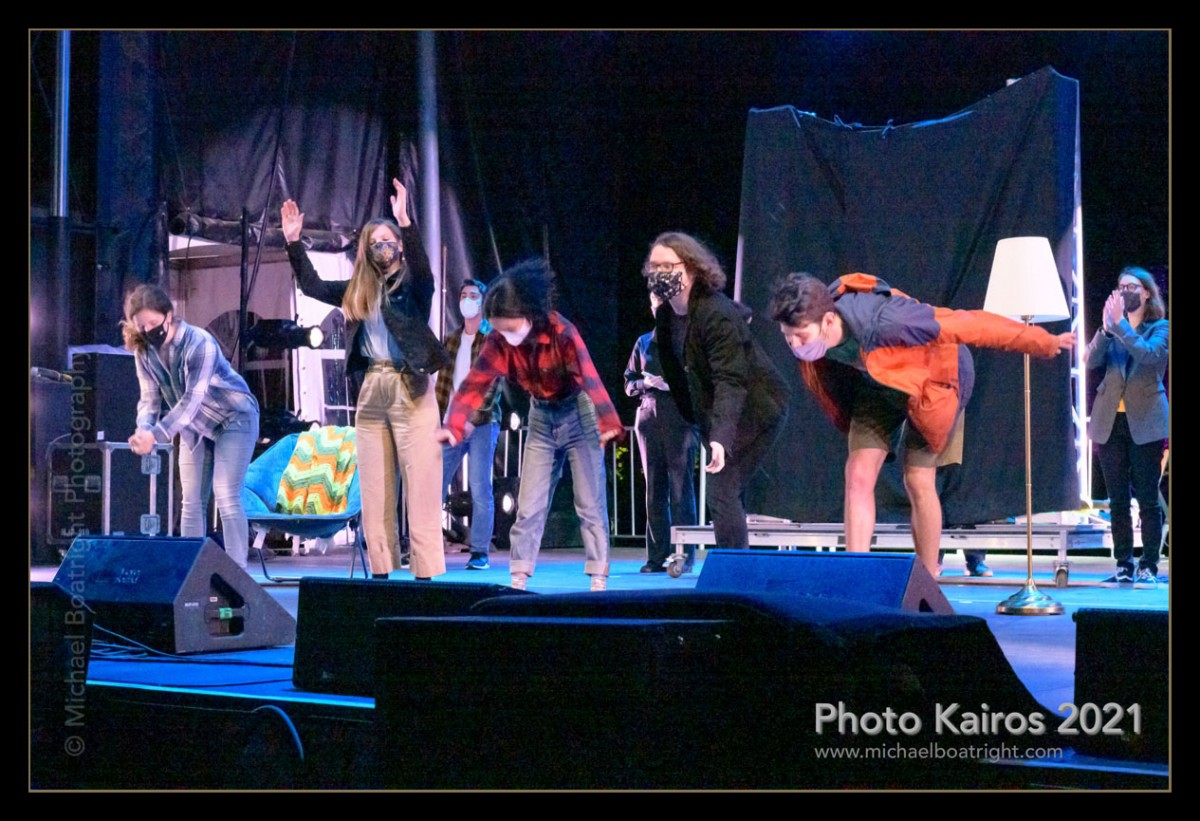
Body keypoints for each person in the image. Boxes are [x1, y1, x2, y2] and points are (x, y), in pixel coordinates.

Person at [769, 272, 1075, 576]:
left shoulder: (890, 320)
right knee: (858, 474)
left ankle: (927, 577)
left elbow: (970, 324)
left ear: (828, 321)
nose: (794, 345)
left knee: (917, 479)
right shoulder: (818, 313)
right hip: (877, 385)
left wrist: (1043, 341)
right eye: (787, 336)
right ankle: (856, 574)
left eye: (801, 336)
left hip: (934, 380)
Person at [280, 179, 451, 580]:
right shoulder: (359, 289)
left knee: (422, 481)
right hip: (373, 386)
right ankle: (381, 571)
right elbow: (312, 285)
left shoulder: (413, 286)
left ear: (399, 246)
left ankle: (425, 573)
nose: (382, 247)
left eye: (388, 241)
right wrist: (293, 242)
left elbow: (423, 271)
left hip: (411, 386)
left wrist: (405, 221)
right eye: (375, 243)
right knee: (375, 487)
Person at [438, 258, 623, 591]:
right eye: (500, 329)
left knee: (589, 501)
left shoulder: (561, 332)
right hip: (541, 417)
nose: (506, 336)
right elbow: (475, 383)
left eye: (510, 328)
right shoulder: (497, 342)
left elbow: (588, 376)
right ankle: (519, 576)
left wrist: (607, 419)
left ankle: (598, 575)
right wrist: (453, 424)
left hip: (577, 412)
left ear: (527, 314)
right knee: (530, 503)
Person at [645, 232, 790, 550]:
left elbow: (730, 380)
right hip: (718, 412)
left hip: (757, 407)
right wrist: (697, 421)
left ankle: (735, 570)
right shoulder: (667, 315)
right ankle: (739, 565)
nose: (659, 273)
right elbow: (677, 372)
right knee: (726, 491)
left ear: (691, 268)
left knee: (722, 489)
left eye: (667, 265)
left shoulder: (715, 312)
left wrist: (720, 439)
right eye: (654, 266)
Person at [123, 284, 261, 568]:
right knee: (191, 499)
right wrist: (143, 429)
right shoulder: (144, 353)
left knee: (225, 493)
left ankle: (238, 572)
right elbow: (149, 400)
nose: (148, 331)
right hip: (194, 428)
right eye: (142, 326)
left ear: (168, 315)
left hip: (234, 418)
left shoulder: (199, 343)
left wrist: (156, 435)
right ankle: (191, 573)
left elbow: (191, 402)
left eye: (153, 323)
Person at [1085, 266, 1168, 586]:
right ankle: (1123, 564)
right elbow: (1091, 361)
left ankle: (1149, 565)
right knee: (1117, 499)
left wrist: (1120, 326)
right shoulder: (1112, 328)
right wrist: (1106, 331)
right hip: (1110, 421)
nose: (1125, 292)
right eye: (1121, 286)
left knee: (1147, 498)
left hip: (1146, 422)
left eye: (1132, 287)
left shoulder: (1160, 328)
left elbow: (1150, 356)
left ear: (1146, 293)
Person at [624, 291, 701, 573]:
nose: (659, 310)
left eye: (664, 305)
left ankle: (684, 556)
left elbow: (702, 381)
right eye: (655, 305)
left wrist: (673, 385)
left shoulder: (688, 340)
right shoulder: (644, 342)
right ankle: (656, 556)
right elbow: (628, 382)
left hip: (679, 415)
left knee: (681, 488)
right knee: (654, 488)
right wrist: (645, 384)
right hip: (648, 416)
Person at [435, 279, 501, 571]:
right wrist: (437, 420)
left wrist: (473, 418)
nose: (467, 300)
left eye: (473, 295)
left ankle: (479, 552)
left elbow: (492, 384)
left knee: (479, 486)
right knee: (435, 484)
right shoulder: (451, 339)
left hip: (482, 424)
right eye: (463, 295)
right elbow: (442, 385)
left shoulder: (491, 339)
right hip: (451, 424)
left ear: (483, 302)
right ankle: (427, 546)